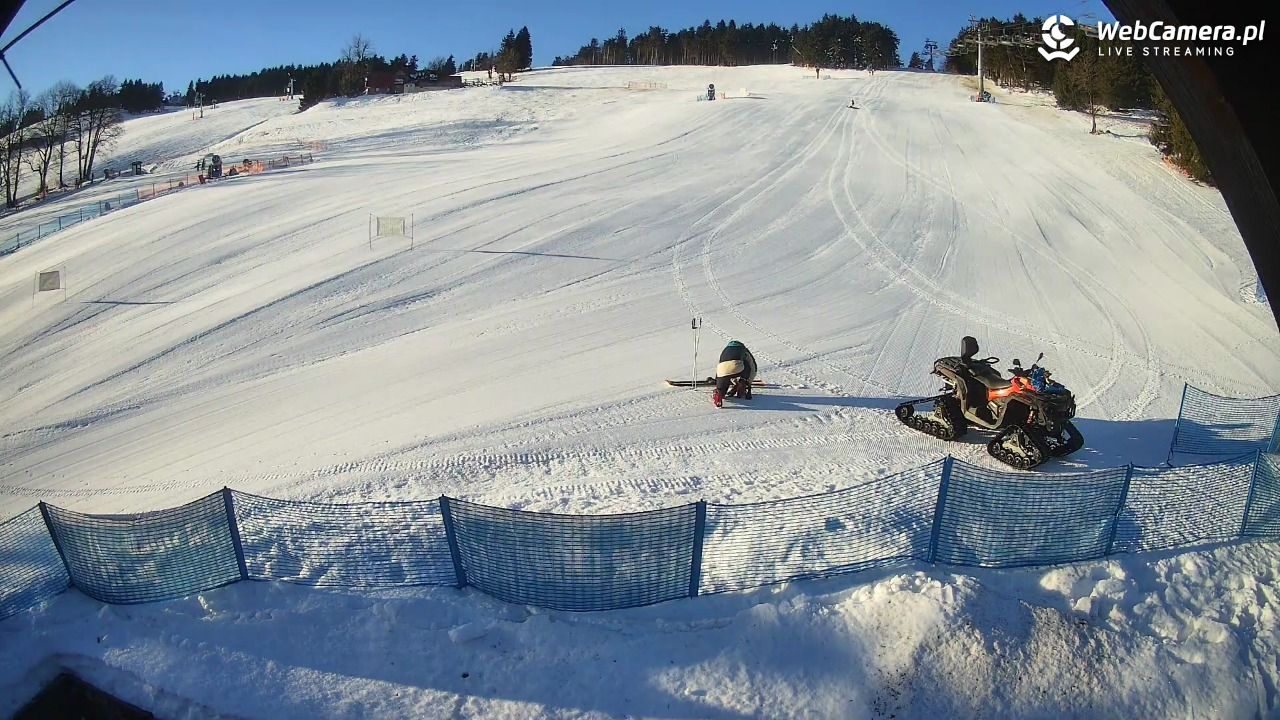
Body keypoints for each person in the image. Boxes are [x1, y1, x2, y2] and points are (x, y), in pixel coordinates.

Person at [713, 340, 758, 408]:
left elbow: (723, 368)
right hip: (738, 367)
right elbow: (753, 368)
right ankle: (742, 384)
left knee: (722, 387)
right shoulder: (744, 350)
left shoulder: (725, 351)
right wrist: (748, 382)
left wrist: (718, 382)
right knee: (745, 364)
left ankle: (719, 395)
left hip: (722, 370)